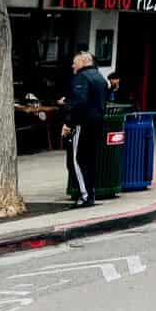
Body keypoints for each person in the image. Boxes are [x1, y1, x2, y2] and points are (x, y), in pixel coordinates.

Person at [62, 52, 107, 208]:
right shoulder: (100, 77)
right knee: (90, 159)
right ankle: (90, 193)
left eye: (75, 62)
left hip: (83, 123)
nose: (73, 66)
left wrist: (69, 123)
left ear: (83, 61)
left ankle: (84, 195)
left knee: (77, 159)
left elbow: (79, 102)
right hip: (97, 122)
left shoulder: (81, 77)